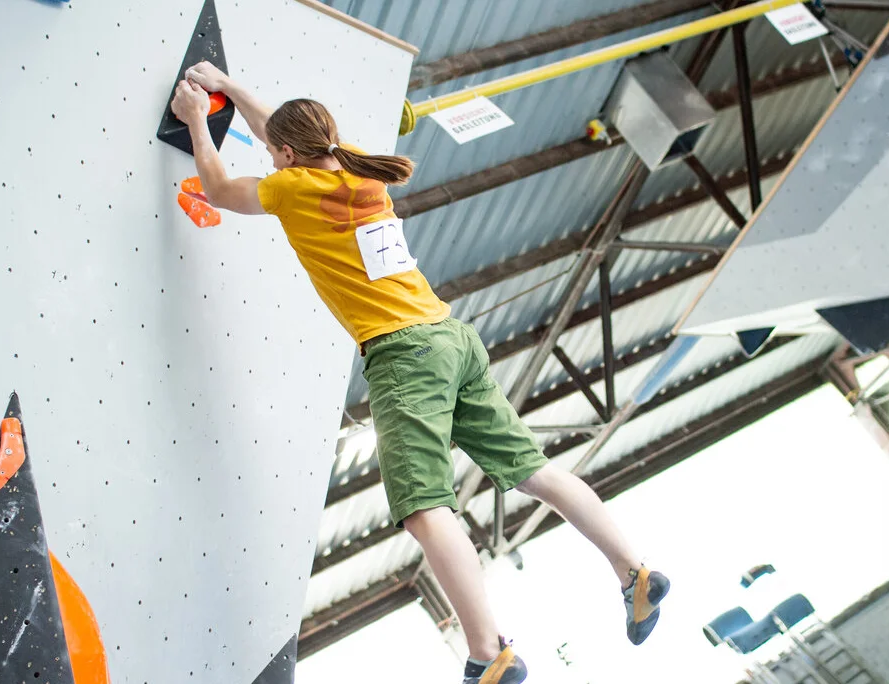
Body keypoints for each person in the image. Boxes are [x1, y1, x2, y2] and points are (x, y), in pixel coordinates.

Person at [170, 61, 670, 684]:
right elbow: (283, 129)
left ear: (288, 154)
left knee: (425, 506)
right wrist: (231, 84)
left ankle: (490, 653)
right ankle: (633, 571)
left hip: (404, 355)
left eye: (274, 153)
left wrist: (196, 119)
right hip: (451, 337)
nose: (269, 160)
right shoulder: (354, 167)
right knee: (534, 471)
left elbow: (218, 190)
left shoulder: (290, 188)